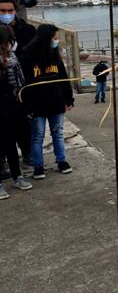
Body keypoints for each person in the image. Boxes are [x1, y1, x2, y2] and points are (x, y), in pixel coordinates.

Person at [20, 24, 74, 180]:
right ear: (46, 38)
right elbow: (24, 83)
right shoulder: (27, 56)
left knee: (58, 133)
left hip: (56, 101)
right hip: (37, 104)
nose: (56, 41)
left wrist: (68, 98)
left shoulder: (54, 54)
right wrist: (27, 105)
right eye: (54, 38)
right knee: (37, 136)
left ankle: (61, 160)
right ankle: (38, 166)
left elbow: (63, 77)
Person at [0, 0, 35, 164]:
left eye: (10, 10)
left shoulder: (27, 30)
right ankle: (4, 159)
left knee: (24, 124)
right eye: (2, 11)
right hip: (2, 90)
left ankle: (27, 152)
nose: (7, 14)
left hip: (23, 86)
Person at [0, 25, 33, 199]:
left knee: (12, 145)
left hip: (14, 108)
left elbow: (20, 83)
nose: (13, 43)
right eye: (10, 41)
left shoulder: (13, 57)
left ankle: (17, 176)